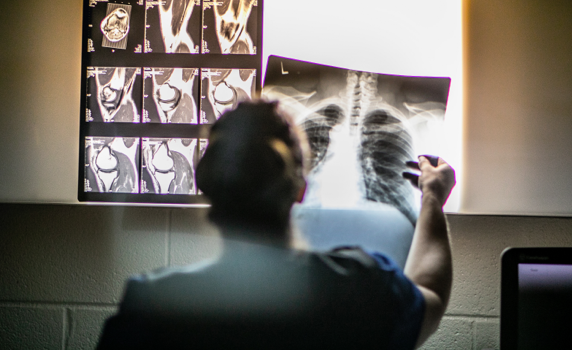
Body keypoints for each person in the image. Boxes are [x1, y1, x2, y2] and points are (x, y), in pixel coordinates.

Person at [97, 101, 455, 349]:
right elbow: (431, 294)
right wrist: (432, 198)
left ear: (209, 188)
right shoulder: (362, 286)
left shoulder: (153, 303)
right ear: (300, 187)